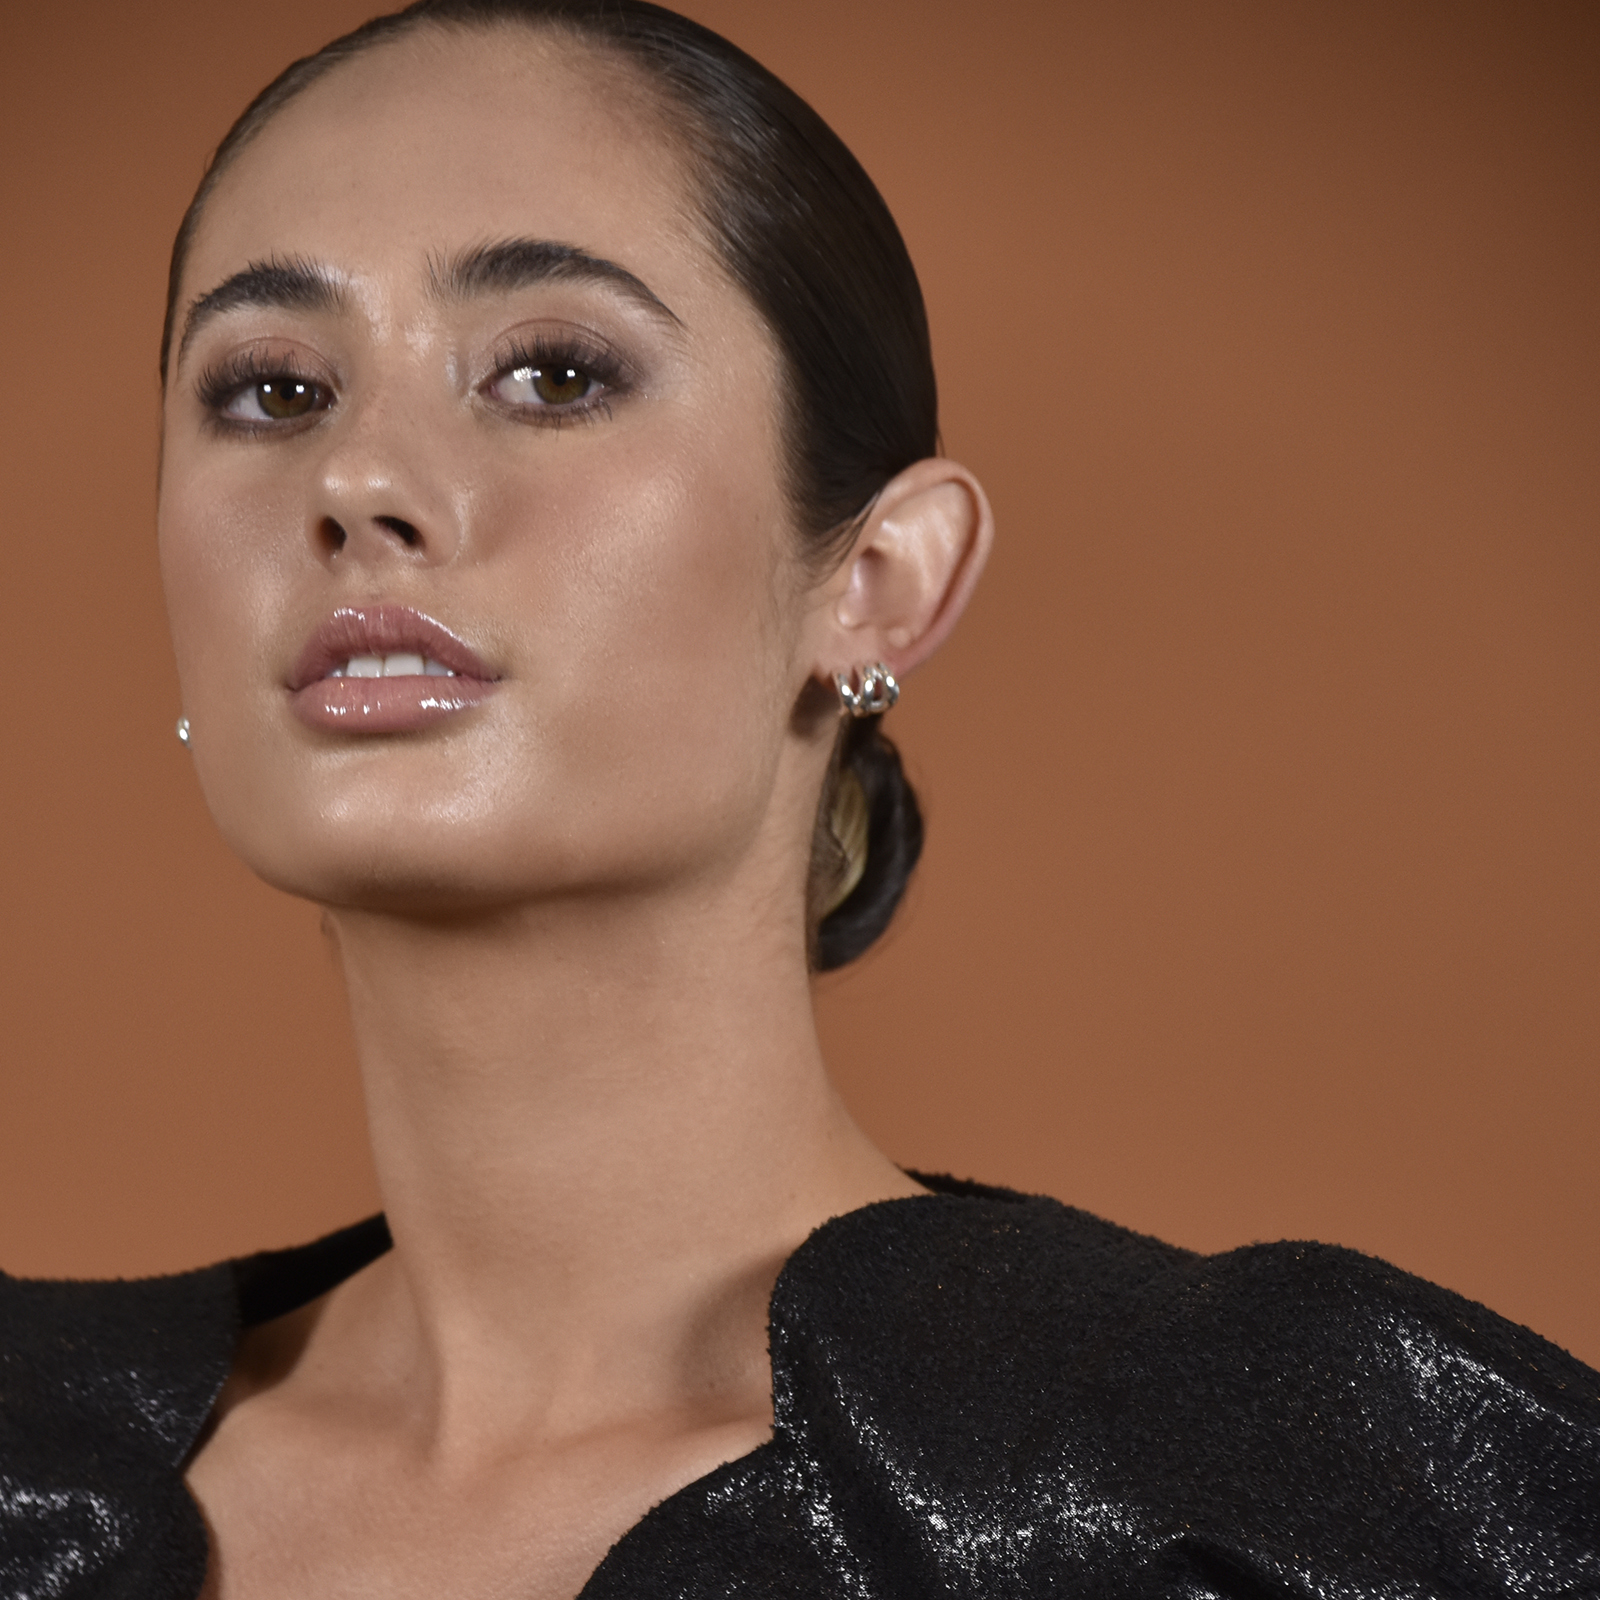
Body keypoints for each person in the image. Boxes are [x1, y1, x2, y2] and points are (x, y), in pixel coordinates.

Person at [2, 2, 1596, 1596]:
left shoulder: (1267, 1503)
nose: (355, 482)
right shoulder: (28, 1465)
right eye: (273, 391)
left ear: (881, 580)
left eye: (553, 372)